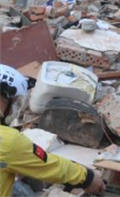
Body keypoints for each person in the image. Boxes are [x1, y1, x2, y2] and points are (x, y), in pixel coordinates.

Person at [0, 65, 105, 197]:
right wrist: (87, 177)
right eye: (15, 101)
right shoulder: (8, 141)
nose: (13, 109)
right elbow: (48, 166)